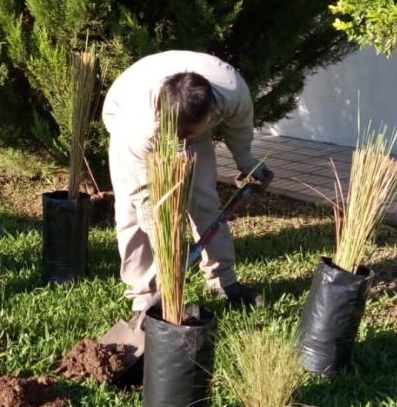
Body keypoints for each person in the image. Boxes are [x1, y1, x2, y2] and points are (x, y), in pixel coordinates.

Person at [102, 50, 272, 319]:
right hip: (127, 115)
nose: (182, 141)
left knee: (204, 198)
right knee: (133, 213)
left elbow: (239, 129)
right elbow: (145, 198)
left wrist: (247, 161)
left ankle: (223, 282)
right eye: (179, 135)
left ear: (210, 114)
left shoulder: (231, 92)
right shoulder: (137, 127)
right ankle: (144, 296)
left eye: (187, 135)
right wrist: (165, 236)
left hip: (186, 120)